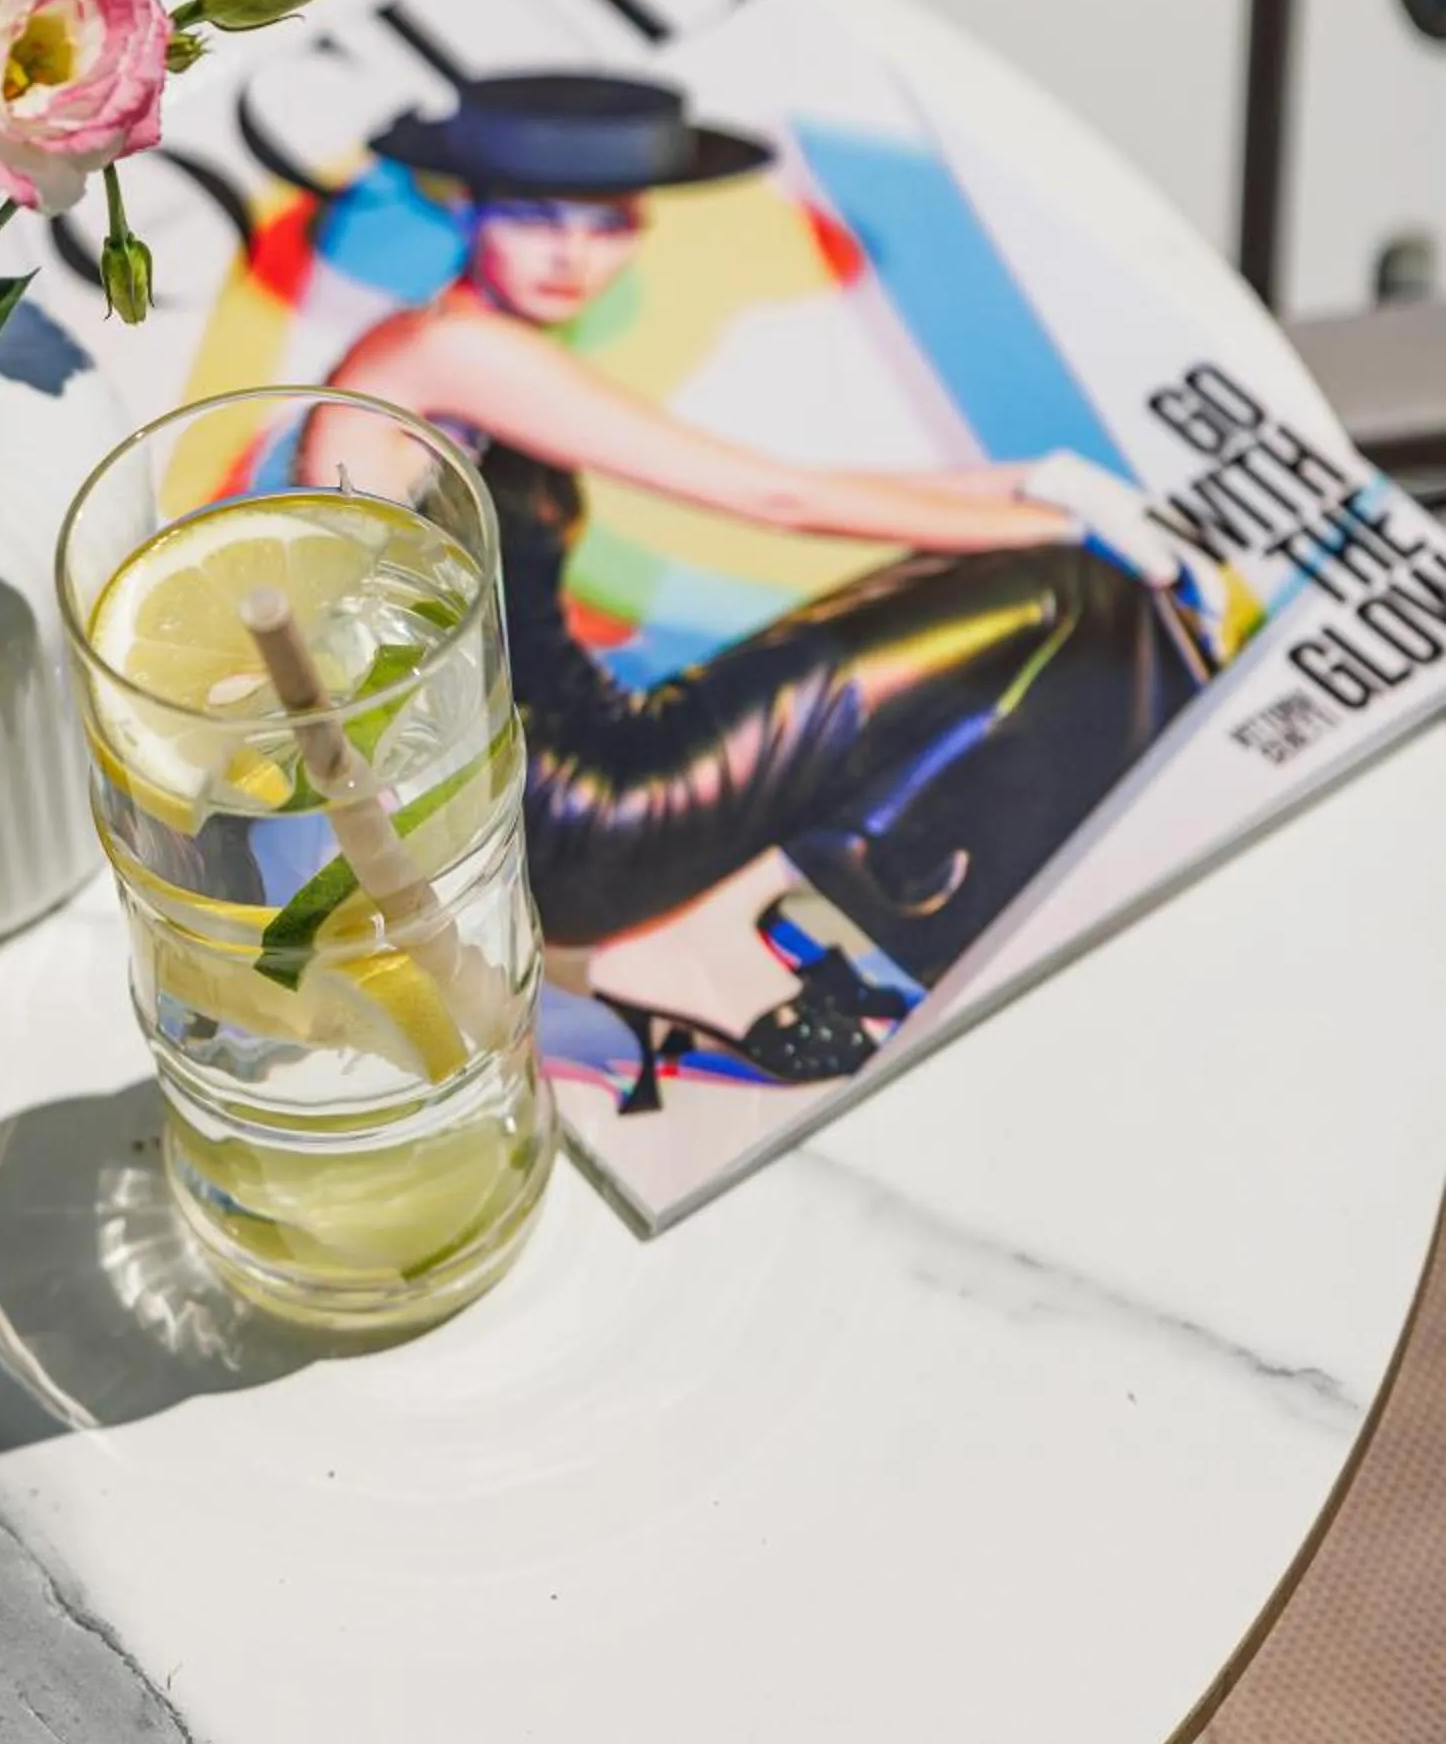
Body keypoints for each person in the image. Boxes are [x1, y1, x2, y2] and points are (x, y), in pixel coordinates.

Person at [298, 71, 1213, 1089]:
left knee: (1018, 581)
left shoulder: (443, 348)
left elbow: (793, 485)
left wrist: (1029, 483)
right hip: (560, 813)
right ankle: (1090, 886)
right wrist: (1060, 526)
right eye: (535, 218)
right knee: (1058, 586)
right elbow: (774, 497)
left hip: (575, 765)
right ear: (468, 208)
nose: (571, 256)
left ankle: (863, 926)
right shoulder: (451, 351)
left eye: (607, 224)